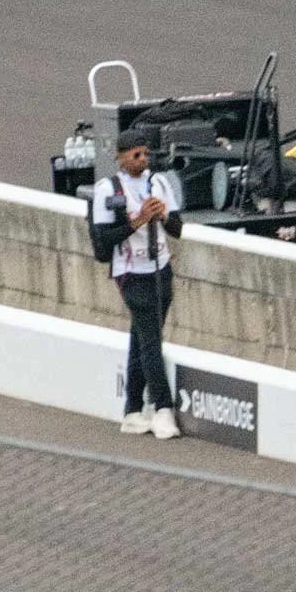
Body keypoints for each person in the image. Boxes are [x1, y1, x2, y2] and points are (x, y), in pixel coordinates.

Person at [91, 131, 184, 438]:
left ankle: (132, 410)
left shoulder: (158, 182)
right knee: (150, 341)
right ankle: (162, 407)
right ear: (120, 157)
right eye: (135, 155)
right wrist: (138, 220)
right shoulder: (107, 189)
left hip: (160, 268)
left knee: (143, 337)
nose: (143, 160)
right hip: (131, 272)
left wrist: (163, 216)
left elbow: (178, 229)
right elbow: (103, 240)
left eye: (145, 154)